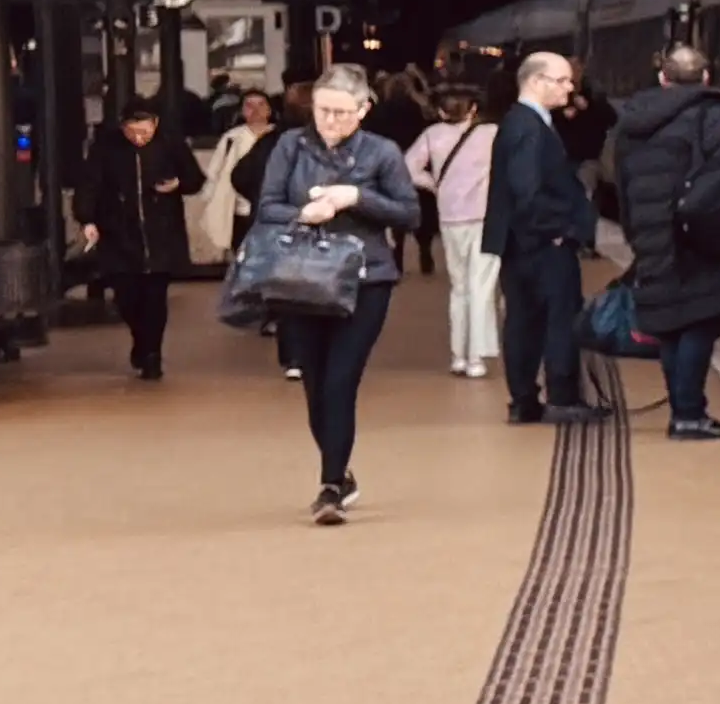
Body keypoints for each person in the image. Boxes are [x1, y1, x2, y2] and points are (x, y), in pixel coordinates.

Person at [249, 67, 423, 519]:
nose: (330, 120)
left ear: (364, 110)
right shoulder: (289, 145)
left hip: (367, 279)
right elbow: (266, 206)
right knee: (314, 382)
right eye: (323, 110)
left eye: (342, 113)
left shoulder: (382, 152)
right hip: (300, 277)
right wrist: (306, 212)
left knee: (341, 380)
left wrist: (354, 198)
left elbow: (409, 214)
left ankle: (330, 485)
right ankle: (341, 472)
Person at [605, 40, 720, 438]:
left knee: (670, 323)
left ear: (663, 78)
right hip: (697, 234)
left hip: (652, 231)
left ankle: (683, 410)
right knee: (699, 322)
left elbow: (623, 183)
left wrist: (635, 234)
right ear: (706, 77)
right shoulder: (712, 112)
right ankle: (689, 414)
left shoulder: (633, 120)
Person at [490, 48, 598, 425]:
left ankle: (524, 400)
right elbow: (526, 189)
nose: (570, 88)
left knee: (524, 320)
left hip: (521, 245)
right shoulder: (528, 127)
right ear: (537, 81)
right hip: (541, 245)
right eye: (563, 80)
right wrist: (558, 230)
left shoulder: (520, 122)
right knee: (558, 318)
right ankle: (562, 397)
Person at [69, 98, 197, 380]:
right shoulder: (106, 148)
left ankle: (152, 354)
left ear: (156, 125)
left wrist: (178, 184)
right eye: (133, 132)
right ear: (122, 128)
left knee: (155, 297)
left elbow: (195, 178)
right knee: (126, 296)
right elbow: (89, 185)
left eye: (145, 132)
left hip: (161, 231)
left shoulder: (170, 144)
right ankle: (140, 339)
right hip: (120, 233)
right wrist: (87, 219)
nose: (139, 138)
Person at [411, 78, 500, 380]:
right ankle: (476, 357)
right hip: (485, 218)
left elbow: (407, 167)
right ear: (474, 108)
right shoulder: (491, 134)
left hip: (449, 218)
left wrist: (435, 185)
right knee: (482, 286)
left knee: (459, 288)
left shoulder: (431, 135)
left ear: (440, 110)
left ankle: (458, 356)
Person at [185, 85, 276, 273]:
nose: (255, 110)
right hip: (240, 211)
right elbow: (215, 173)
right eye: (249, 105)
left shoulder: (281, 136)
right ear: (242, 111)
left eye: (261, 105)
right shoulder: (232, 138)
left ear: (269, 109)